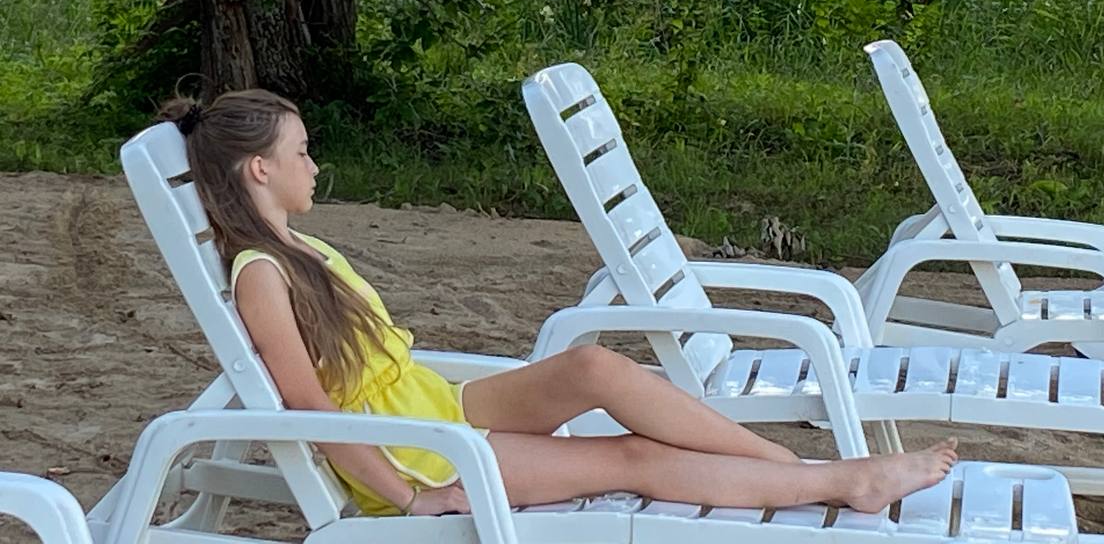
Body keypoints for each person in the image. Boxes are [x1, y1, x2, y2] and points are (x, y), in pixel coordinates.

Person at [158, 89, 958, 518]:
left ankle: (795, 471)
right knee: (631, 460)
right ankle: (838, 483)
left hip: (430, 404)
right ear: (259, 170)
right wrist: (412, 497)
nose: (313, 165)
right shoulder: (262, 273)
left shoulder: (299, 247)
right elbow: (307, 406)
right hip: (414, 451)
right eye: (301, 153)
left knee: (592, 367)